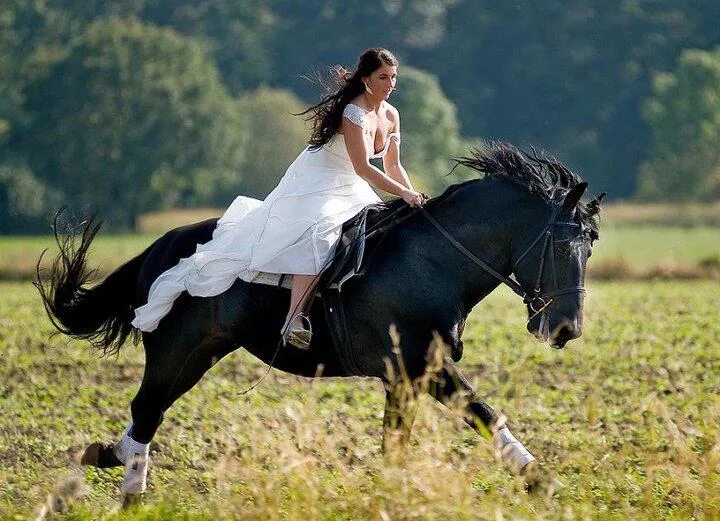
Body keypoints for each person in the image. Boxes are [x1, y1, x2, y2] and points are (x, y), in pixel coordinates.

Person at [131, 48, 425, 348]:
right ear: (366, 80)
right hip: (319, 180)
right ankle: (293, 319)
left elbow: (392, 165)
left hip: (353, 184)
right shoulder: (353, 112)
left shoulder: (391, 114)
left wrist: (413, 196)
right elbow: (363, 166)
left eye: (393, 77)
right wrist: (401, 193)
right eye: (383, 77)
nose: (390, 84)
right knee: (319, 235)